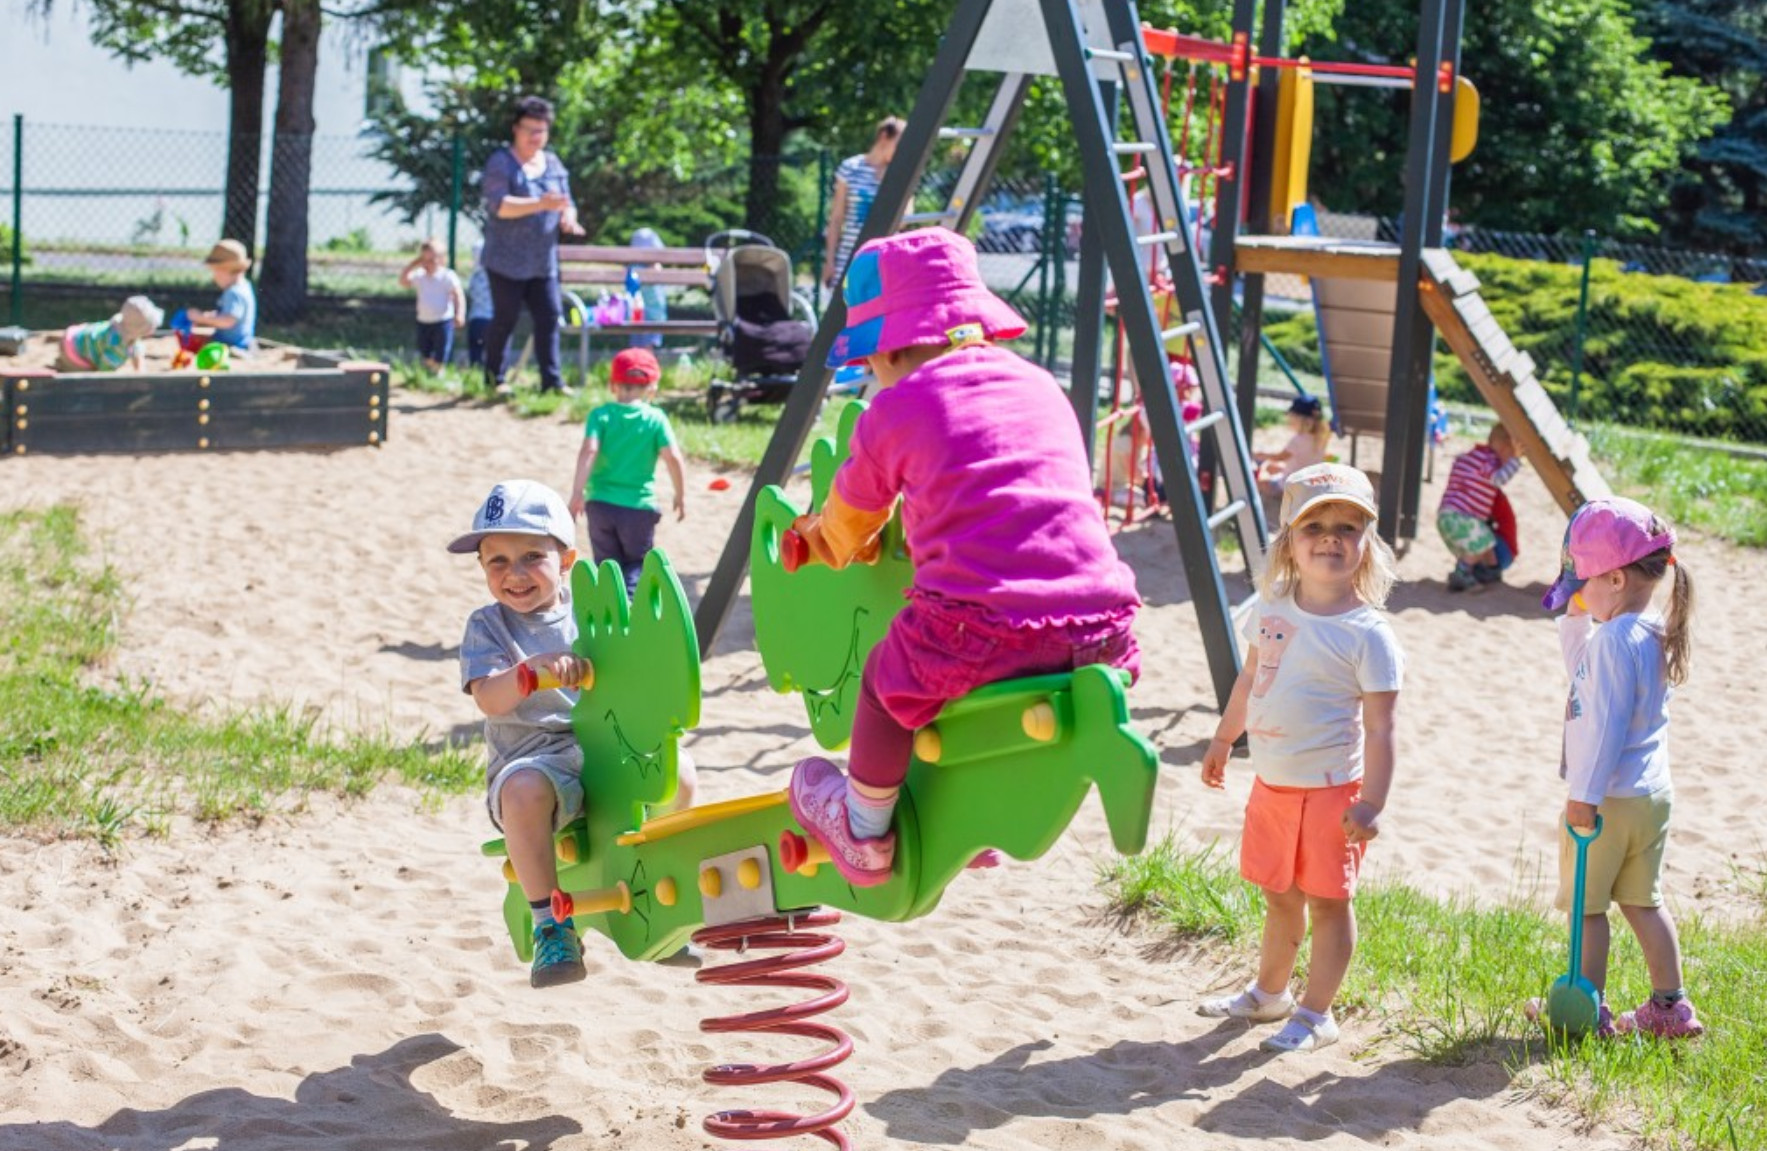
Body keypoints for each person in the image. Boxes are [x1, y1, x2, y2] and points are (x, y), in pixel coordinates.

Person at [784, 227, 1143, 887]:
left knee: (891, 684)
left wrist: (817, 541)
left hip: (982, 623)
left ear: (888, 348)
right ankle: (973, 803)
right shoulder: (1040, 385)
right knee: (974, 687)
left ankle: (860, 829)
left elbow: (850, 524)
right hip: (1107, 630)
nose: (870, 374)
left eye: (869, 360)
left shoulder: (893, 410)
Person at [450, 479, 698, 988]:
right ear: (481, 568)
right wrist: (528, 673)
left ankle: (663, 886)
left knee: (682, 771)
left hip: (601, 748)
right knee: (523, 794)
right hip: (532, 760)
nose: (514, 575)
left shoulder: (592, 613)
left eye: (531, 557)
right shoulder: (488, 627)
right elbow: (488, 698)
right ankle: (550, 926)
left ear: (566, 561)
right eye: (496, 561)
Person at [1198, 462, 1403, 1054]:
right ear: (1289, 542)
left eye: (1348, 526)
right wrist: (1222, 739)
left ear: (1368, 547)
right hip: (1273, 782)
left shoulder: (1368, 634)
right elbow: (1250, 677)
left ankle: (1317, 1014)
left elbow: (1383, 727)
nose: (1332, 537)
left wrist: (1372, 803)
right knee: (1279, 894)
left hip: (1333, 790)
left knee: (1329, 902)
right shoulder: (1274, 607)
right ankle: (1270, 995)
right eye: (1315, 526)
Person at [1534, 497, 1702, 1039]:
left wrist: (1583, 796)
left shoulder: (1612, 640)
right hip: (1650, 797)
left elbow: (1600, 724)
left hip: (1606, 800)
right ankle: (1669, 1007)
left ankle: (1588, 1011)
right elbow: (1588, 678)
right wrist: (1578, 616)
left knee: (1587, 910)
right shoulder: (1648, 628)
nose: (1576, 595)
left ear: (1614, 577)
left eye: (1582, 583)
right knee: (1642, 903)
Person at [480, 95, 585, 395]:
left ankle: (551, 382)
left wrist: (568, 216)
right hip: (505, 260)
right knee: (506, 319)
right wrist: (541, 204)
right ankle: (495, 378)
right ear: (516, 128)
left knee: (550, 317)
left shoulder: (552, 163)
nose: (535, 137)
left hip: (543, 261)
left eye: (541, 131)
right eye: (530, 130)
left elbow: (567, 201)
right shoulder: (501, 162)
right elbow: (500, 206)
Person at [567, 348, 687, 596]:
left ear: (613, 385)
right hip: (638, 508)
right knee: (636, 564)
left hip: (600, 505)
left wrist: (577, 493)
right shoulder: (655, 419)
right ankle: (629, 615)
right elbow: (673, 458)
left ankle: (608, 617)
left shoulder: (600, 416)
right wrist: (680, 494)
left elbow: (589, 450)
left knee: (607, 566)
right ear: (652, 388)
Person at [1437, 423, 1522, 592]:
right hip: (1462, 516)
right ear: (1505, 449)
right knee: (1485, 540)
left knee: (1475, 544)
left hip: (1444, 514)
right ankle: (1462, 572)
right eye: (1511, 453)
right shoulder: (1490, 460)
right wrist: (1516, 460)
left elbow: (1460, 466)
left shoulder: (1472, 456)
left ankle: (1476, 573)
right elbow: (1499, 479)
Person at [822, 116, 905, 289]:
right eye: (899, 144)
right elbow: (836, 218)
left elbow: (903, 220)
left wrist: (891, 184)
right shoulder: (851, 167)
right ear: (884, 136)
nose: (902, 151)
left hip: (884, 260)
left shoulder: (898, 174)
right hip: (850, 256)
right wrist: (830, 261)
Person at [399, 237, 466, 371]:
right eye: (424, 260)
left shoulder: (447, 276)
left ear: (441, 259)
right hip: (424, 320)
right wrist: (412, 265)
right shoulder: (419, 275)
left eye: (432, 260)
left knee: (442, 350)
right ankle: (430, 370)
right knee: (425, 351)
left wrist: (460, 314)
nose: (428, 264)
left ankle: (439, 371)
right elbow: (403, 282)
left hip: (443, 320)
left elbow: (458, 295)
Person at [55, 294, 161, 372]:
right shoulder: (116, 349)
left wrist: (140, 372)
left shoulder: (125, 331)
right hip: (73, 352)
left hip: (76, 335)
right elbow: (105, 374)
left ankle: (62, 362)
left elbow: (136, 350)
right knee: (87, 376)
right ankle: (64, 365)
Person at [187, 239, 257, 352]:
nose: (214, 277)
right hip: (243, 341)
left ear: (226, 269)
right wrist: (212, 316)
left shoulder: (234, 293)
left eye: (215, 272)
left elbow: (228, 321)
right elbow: (232, 315)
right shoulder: (244, 287)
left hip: (232, 344)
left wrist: (201, 317)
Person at [1254, 394, 1331, 496]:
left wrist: (1260, 455)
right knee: (1273, 467)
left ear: (1299, 419)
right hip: (1312, 483)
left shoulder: (1298, 440)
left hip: (1290, 488)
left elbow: (1279, 457)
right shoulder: (1323, 436)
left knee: (1258, 479)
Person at [626, 227, 669, 350]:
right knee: (647, 344)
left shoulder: (633, 267)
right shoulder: (654, 266)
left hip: (638, 315)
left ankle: (639, 363)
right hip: (651, 316)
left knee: (640, 343)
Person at [464, 242, 496, 368]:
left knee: (475, 349)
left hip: (476, 318)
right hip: (493, 318)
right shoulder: (498, 277)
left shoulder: (474, 276)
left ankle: (475, 369)